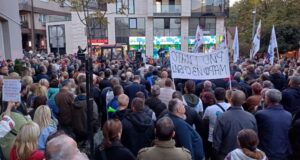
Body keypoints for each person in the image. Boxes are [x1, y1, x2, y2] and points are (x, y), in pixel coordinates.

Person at [213, 90, 257, 160]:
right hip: (245, 155)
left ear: (230, 100)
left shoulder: (222, 117)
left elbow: (216, 140)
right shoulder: (251, 117)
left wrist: (216, 155)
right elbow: (255, 137)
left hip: (226, 154)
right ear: (244, 101)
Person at [255, 89, 292, 160]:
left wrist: (259, 108)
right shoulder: (288, 115)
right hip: (283, 152)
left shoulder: (260, 114)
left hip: (267, 152)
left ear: (267, 99)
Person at [203, 87, 230, 159]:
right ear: (225, 96)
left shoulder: (209, 109)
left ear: (214, 96)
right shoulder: (231, 106)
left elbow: (204, 121)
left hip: (213, 139)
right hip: (228, 137)